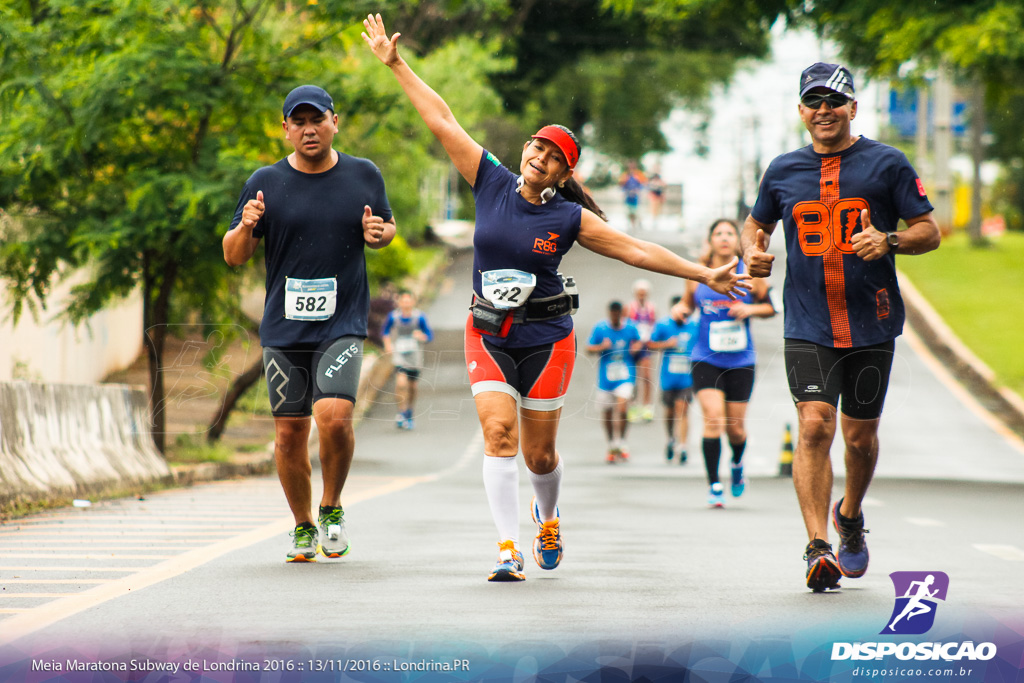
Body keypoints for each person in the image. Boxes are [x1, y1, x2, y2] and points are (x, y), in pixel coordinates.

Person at [362, 14, 750, 582]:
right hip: (488, 331)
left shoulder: (570, 218)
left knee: (539, 456)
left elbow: (638, 251)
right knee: (499, 434)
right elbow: (442, 119)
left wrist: (703, 272)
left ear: (564, 172)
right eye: (536, 148)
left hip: (547, 338)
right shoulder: (489, 179)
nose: (539, 158)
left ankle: (548, 517)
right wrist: (397, 65)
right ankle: (505, 549)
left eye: (553, 157)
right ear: (524, 149)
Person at [741, 63, 940, 592]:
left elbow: (929, 230)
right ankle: (816, 546)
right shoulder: (782, 170)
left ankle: (848, 516)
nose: (824, 111)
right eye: (814, 102)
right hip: (806, 322)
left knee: (859, 438)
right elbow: (756, 222)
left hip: (872, 323)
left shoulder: (887, 164)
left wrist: (890, 241)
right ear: (801, 112)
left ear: (854, 107)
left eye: (834, 101)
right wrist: (752, 252)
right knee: (814, 425)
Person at [222, 84, 397, 562]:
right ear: (286, 131)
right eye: (298, 122)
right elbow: (234, 255)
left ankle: (332, 506)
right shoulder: (265, 182)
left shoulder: (364, 174)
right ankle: (302, 526)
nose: (308, 129)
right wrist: (245, 224)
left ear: (334, 122)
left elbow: (385, 227)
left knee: (334, 418)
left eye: (316, 119)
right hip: (284, 327)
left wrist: (378, 233)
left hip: (342, 321)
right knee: (289, 433)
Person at [686, 218, 776, 508]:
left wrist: (749, 309)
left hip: (741, 360)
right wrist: (679, 310)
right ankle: (714, 484)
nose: (724, 238)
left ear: (737, 241)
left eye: (729, 234)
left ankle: (736, 464)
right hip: (704, 358)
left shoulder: (750, 274)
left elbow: (771, 307)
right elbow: (687, 305)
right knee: (713, 419)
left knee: (735, 428)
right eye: (718, 233)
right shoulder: (698, 274)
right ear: (710, 240)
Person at [587, 302, 643, 464]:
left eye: (618, 314)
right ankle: (612, 444)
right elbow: (588, 348)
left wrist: (636, 348)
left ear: (621, 314)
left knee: (623, 407)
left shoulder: (631, 328)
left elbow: (639, 342)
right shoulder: (600, 328)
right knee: (607, 413)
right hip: (606, 378)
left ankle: (622, 442)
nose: (615, 317)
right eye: (612, 314)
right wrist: (601, 347)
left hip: (625, 375)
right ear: (609, 313)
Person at [648, 296, 699, 464]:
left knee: (683, 411)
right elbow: (650, 344)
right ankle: (671, 438)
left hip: (687, 378)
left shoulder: (694, 325)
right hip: (668, 378)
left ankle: (682, 446)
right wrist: (666, 344)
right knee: (670, 412)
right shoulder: (663, 325)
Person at [382, 290, 434, 429]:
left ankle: (409, 411)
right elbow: (385, 331)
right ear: (399, 302)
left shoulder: (419, 317)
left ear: (413, 302)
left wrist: (421, 336)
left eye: (408, 301)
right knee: (401, 383)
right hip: (400, 353)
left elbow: (429, 335)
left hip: (414, 354)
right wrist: (388, 345)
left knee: (412, 386)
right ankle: (401, 412)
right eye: (403, 301)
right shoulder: (393, 317)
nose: (405, 304)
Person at [625, 279, 658, 423]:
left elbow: (653, 326)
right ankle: (632, 405)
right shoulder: (629, 308)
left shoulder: (652, 308)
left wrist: (650, 342)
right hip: (632, 347)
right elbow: (625, 327)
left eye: (644, 294)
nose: (642, 296)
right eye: (639, 294)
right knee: (632, 377)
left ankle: (647, 406)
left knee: (646, 376)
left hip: (645, 346)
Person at [619, 161, 648, 233]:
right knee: (629, 210)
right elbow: (621, 184)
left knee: (637, 211)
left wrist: (639, 191)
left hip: (636, 196)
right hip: (628, 195)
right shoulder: (626, 174)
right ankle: (631, 224)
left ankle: (637, 223)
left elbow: (644, 184)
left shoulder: (638, 174)